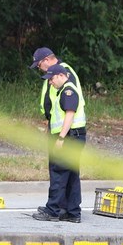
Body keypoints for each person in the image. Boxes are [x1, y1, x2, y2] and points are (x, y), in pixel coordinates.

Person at [29, 47, 83, 215]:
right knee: (69, 172)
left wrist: (60, 137)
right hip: (64, 130)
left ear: (46, 60)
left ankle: (54, 208)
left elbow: (69, 110)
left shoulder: (63, 73)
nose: (40, 70)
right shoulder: (58, 74)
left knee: (59, 171)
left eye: (39, 66)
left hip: (66, 132)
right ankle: (70, 210)